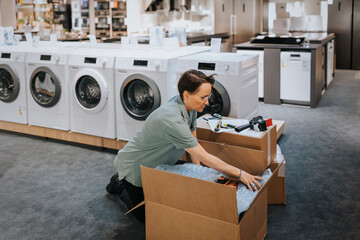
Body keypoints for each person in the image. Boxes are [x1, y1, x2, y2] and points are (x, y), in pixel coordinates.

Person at [106, 69, 263, 223]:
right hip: (134, 167)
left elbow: (194, 142)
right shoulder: (171, 119)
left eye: (208, 96)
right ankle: (120, 184)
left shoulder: (190, 106)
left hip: (158, 164)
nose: (207, 102)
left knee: (171, 202)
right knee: (147, 218)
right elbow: (205, 157)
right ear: (187, 94)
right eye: (203, 97)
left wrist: (199, 174)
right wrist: (240, 173)